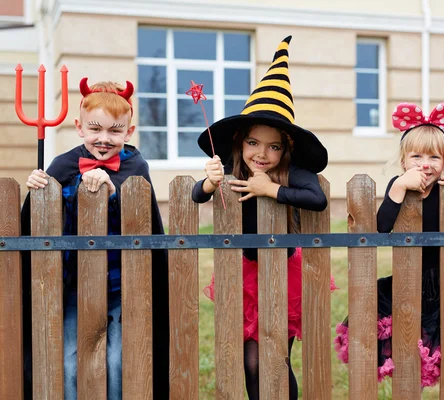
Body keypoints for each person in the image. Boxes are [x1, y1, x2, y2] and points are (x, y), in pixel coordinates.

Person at [192, 35, 336, 400]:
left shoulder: (294, 172)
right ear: (240, 141)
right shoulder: (230, 166)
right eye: (254, 143)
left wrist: (269, 189)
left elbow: (316, 199)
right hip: (244, 274)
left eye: (274, 146)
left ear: (285, 148)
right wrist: (209, 183)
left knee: (275, 356)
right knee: (250, 362)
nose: (262, 153)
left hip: (285, 271)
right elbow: (196, 194)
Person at [21, 78, 169, 399]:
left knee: (118, 363)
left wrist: (115, 194)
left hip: (121, 288)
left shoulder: (136, 166)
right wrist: (38, 190)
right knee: (69, 362)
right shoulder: (62, 164)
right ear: (79, 127)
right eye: (95, 129)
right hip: (73, 287)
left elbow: (144, 225)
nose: (104, 139)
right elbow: (40, 224)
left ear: (129, 132)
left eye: (115, 131)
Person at [334, 102, 444, 393]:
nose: (425, 164)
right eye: (416, 156)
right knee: (409, 361)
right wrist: (399, 188)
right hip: (407, 285)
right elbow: (380, 227)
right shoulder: (398, 184)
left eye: (434, 157)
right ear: (403, 161)